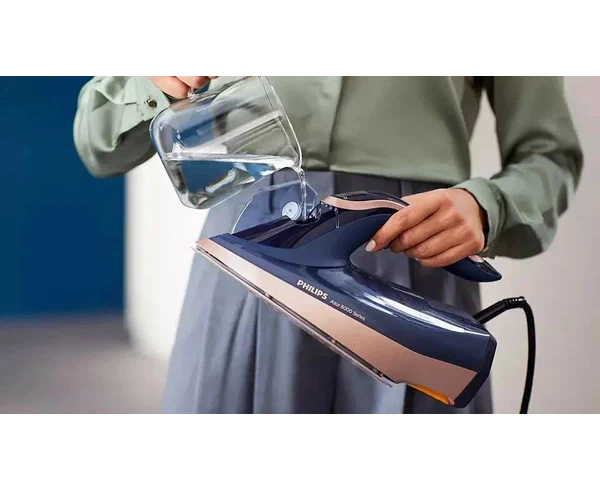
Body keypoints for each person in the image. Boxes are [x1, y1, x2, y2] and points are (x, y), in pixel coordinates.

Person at [74, 76, 583, 414]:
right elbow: (97, 140)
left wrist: (487, 207)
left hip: (412, 260)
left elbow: (549, 155)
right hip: (248, 262)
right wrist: (153, 82)